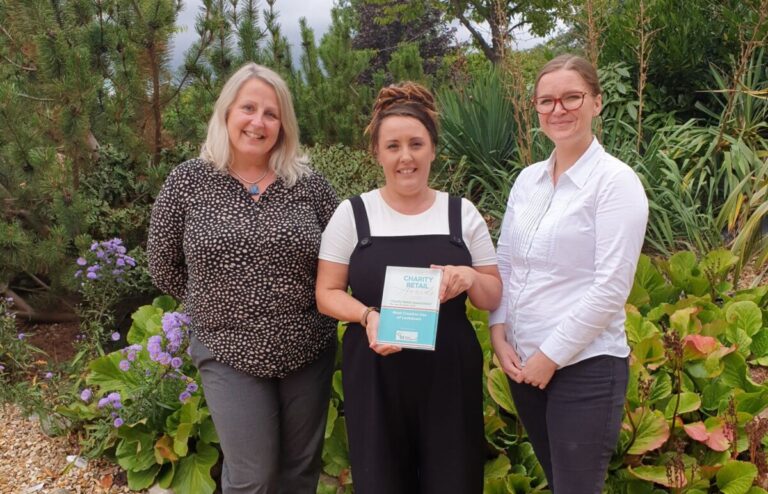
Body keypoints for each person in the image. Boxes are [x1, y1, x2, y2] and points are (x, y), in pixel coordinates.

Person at [147, 63, 339, 494]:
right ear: (226, 113)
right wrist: (213, 301)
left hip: (306, 343)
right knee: (252, 476)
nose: (259, 122)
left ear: (284, 124)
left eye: (271, 113)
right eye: (248, 108)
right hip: (225, 346)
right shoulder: (188, 181)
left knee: (299, 472)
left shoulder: (309, 186)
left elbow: (343, 256)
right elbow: (161, 262)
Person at [315, 82, 501, 494]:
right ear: (377, 153)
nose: (406, 157)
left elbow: (493, 295)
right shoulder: (353, 215)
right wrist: (366, 315)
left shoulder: (461, 214)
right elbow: (326, 293)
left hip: (449, 375)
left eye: (416, 144)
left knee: (455, 480)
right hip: (376, 372)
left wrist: (470, 278)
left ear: (433, 149)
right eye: (393, 145)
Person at [490, 54, 649, 494]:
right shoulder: (527, 181)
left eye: (571, 97)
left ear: (596, 102)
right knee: (559, 482)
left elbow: (611, 287)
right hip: (523, 366)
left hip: (585, 368)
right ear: (536, 109)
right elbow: (506, 260)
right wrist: (497, 331)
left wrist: (551, 356)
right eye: (546, 101)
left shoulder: (615, 183)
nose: (558, 109)